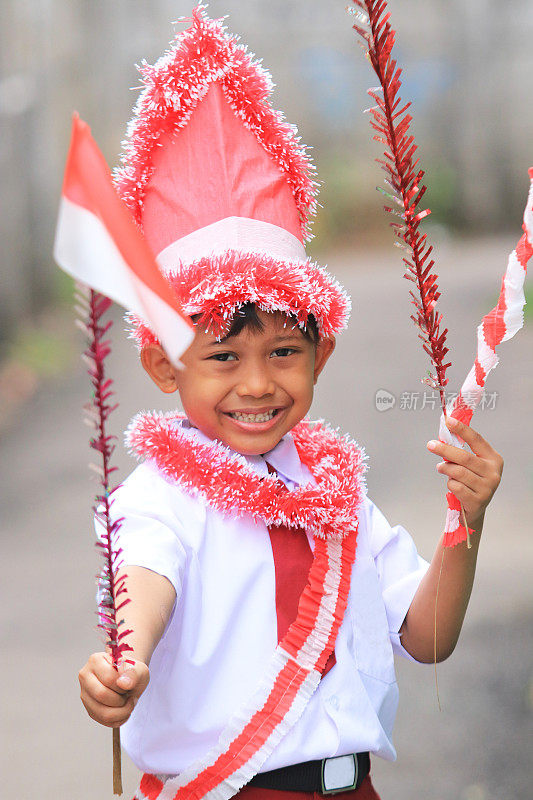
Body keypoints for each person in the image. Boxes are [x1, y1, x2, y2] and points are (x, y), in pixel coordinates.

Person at [78, 8, 503, 800]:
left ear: (322, 353)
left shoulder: (338, 491)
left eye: (283, 352)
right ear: (161, 366)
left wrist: (465, 522)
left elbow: (426, 636)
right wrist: (124, 660)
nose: (256, 383)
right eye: (221, 357)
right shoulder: (157, 502)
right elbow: (145, 582)